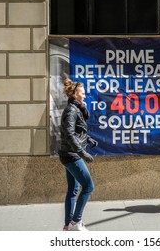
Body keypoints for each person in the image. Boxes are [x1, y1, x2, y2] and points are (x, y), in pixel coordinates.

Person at [59, 78, 98, 231]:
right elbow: (68, 134)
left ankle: (68, 225)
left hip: (68, 153)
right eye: (82, 93)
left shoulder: (75, 109)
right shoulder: (71, 110)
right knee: (88, 186)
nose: (85, 95)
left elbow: (75, 131)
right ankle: (76, 222)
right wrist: (83, 153)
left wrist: (87, 139)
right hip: (72, 155)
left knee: (73, 190)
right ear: (75, 94)